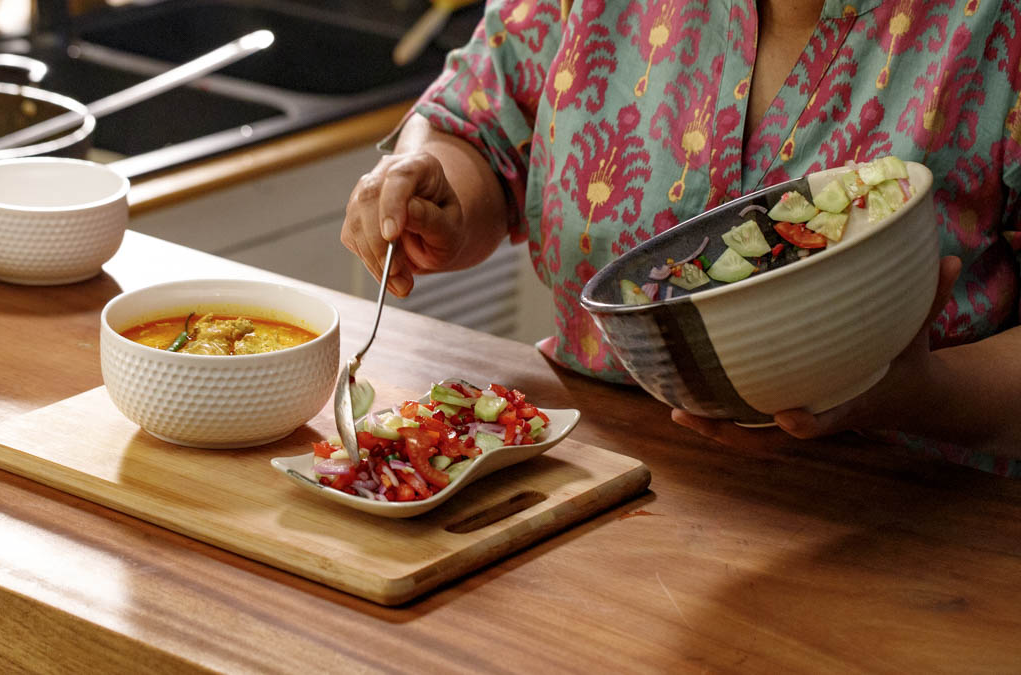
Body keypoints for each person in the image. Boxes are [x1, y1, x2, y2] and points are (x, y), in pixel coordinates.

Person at [341, 0, 1021, 475]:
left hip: (918, 520)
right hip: (588, 479)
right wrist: (436, 191)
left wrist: (922, 392)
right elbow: (476, 128)